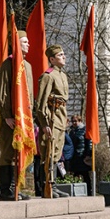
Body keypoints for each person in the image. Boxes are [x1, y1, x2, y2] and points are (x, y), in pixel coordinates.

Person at [0, 29, 33, 200]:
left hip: (24, 119)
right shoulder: (8, 64)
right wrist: (6, 115)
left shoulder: (28, 66)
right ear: (16, 44)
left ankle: (16, 187)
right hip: (11, 118)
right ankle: (6, 190)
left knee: (20, 154)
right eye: (25, 42)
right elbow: (3, 91)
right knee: (8, 154)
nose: (28, 44)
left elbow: (29, 95)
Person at [34, 45, 70, 197]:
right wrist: (44, 123)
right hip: (52, 121)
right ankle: (45, 186)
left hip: (60, 119)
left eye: (63, 54)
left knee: (56, 154)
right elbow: (41, 103)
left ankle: (53, 185)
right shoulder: (48, 76)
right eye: (60, 55)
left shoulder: (62, 75)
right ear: (52, 59)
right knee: (48, 153)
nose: (64, 57)